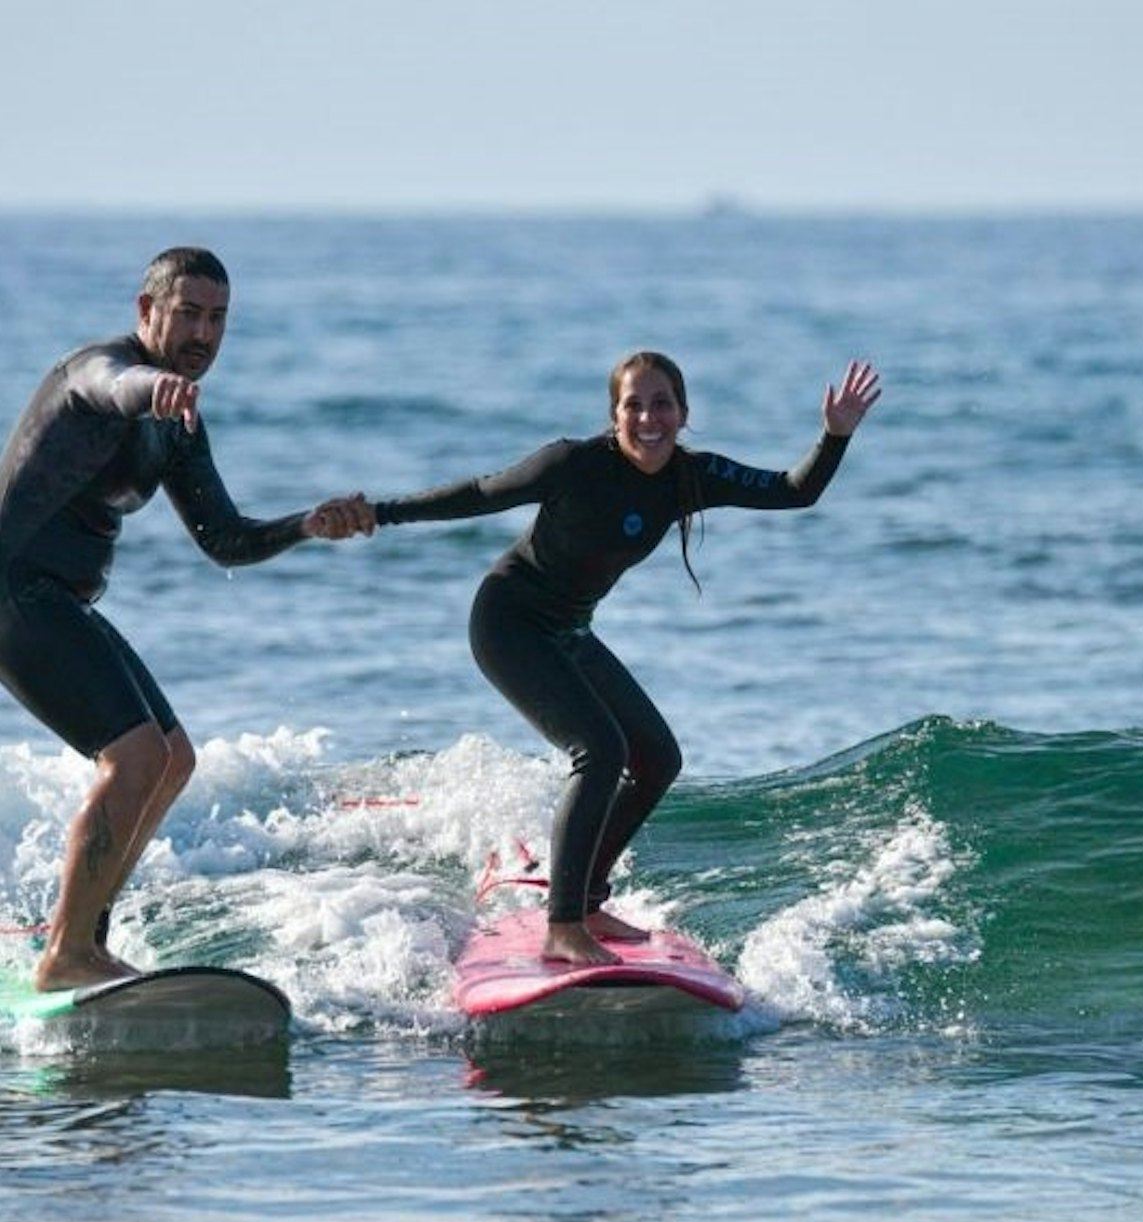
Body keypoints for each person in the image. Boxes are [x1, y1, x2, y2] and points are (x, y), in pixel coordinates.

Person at [375, 351, 881, 964]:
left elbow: (794, 492)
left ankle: (584, 899)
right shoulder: (572, 464)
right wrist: (381, 514)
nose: (648, 417)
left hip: (568, 629)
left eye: (662, 403)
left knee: (657, 758)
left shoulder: (692, 476)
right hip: (508, 622)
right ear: (614, 416)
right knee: (601, 750)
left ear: (684, 413)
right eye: (633, 405)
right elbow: (478, 495)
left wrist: (834, 435)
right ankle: (563, 926)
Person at [0, 246, 374, 990]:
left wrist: (307, 524)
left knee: (173, 759)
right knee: (134, 757)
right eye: (189, 314)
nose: (204, 333)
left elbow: (222, 538)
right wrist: (155, 384)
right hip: (13, 591)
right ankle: (66, 953)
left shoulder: (178, 425)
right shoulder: (97, 374)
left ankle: (83, 937)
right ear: (147, 312)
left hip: (57, 601)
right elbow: (117, 386)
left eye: (218, 319)